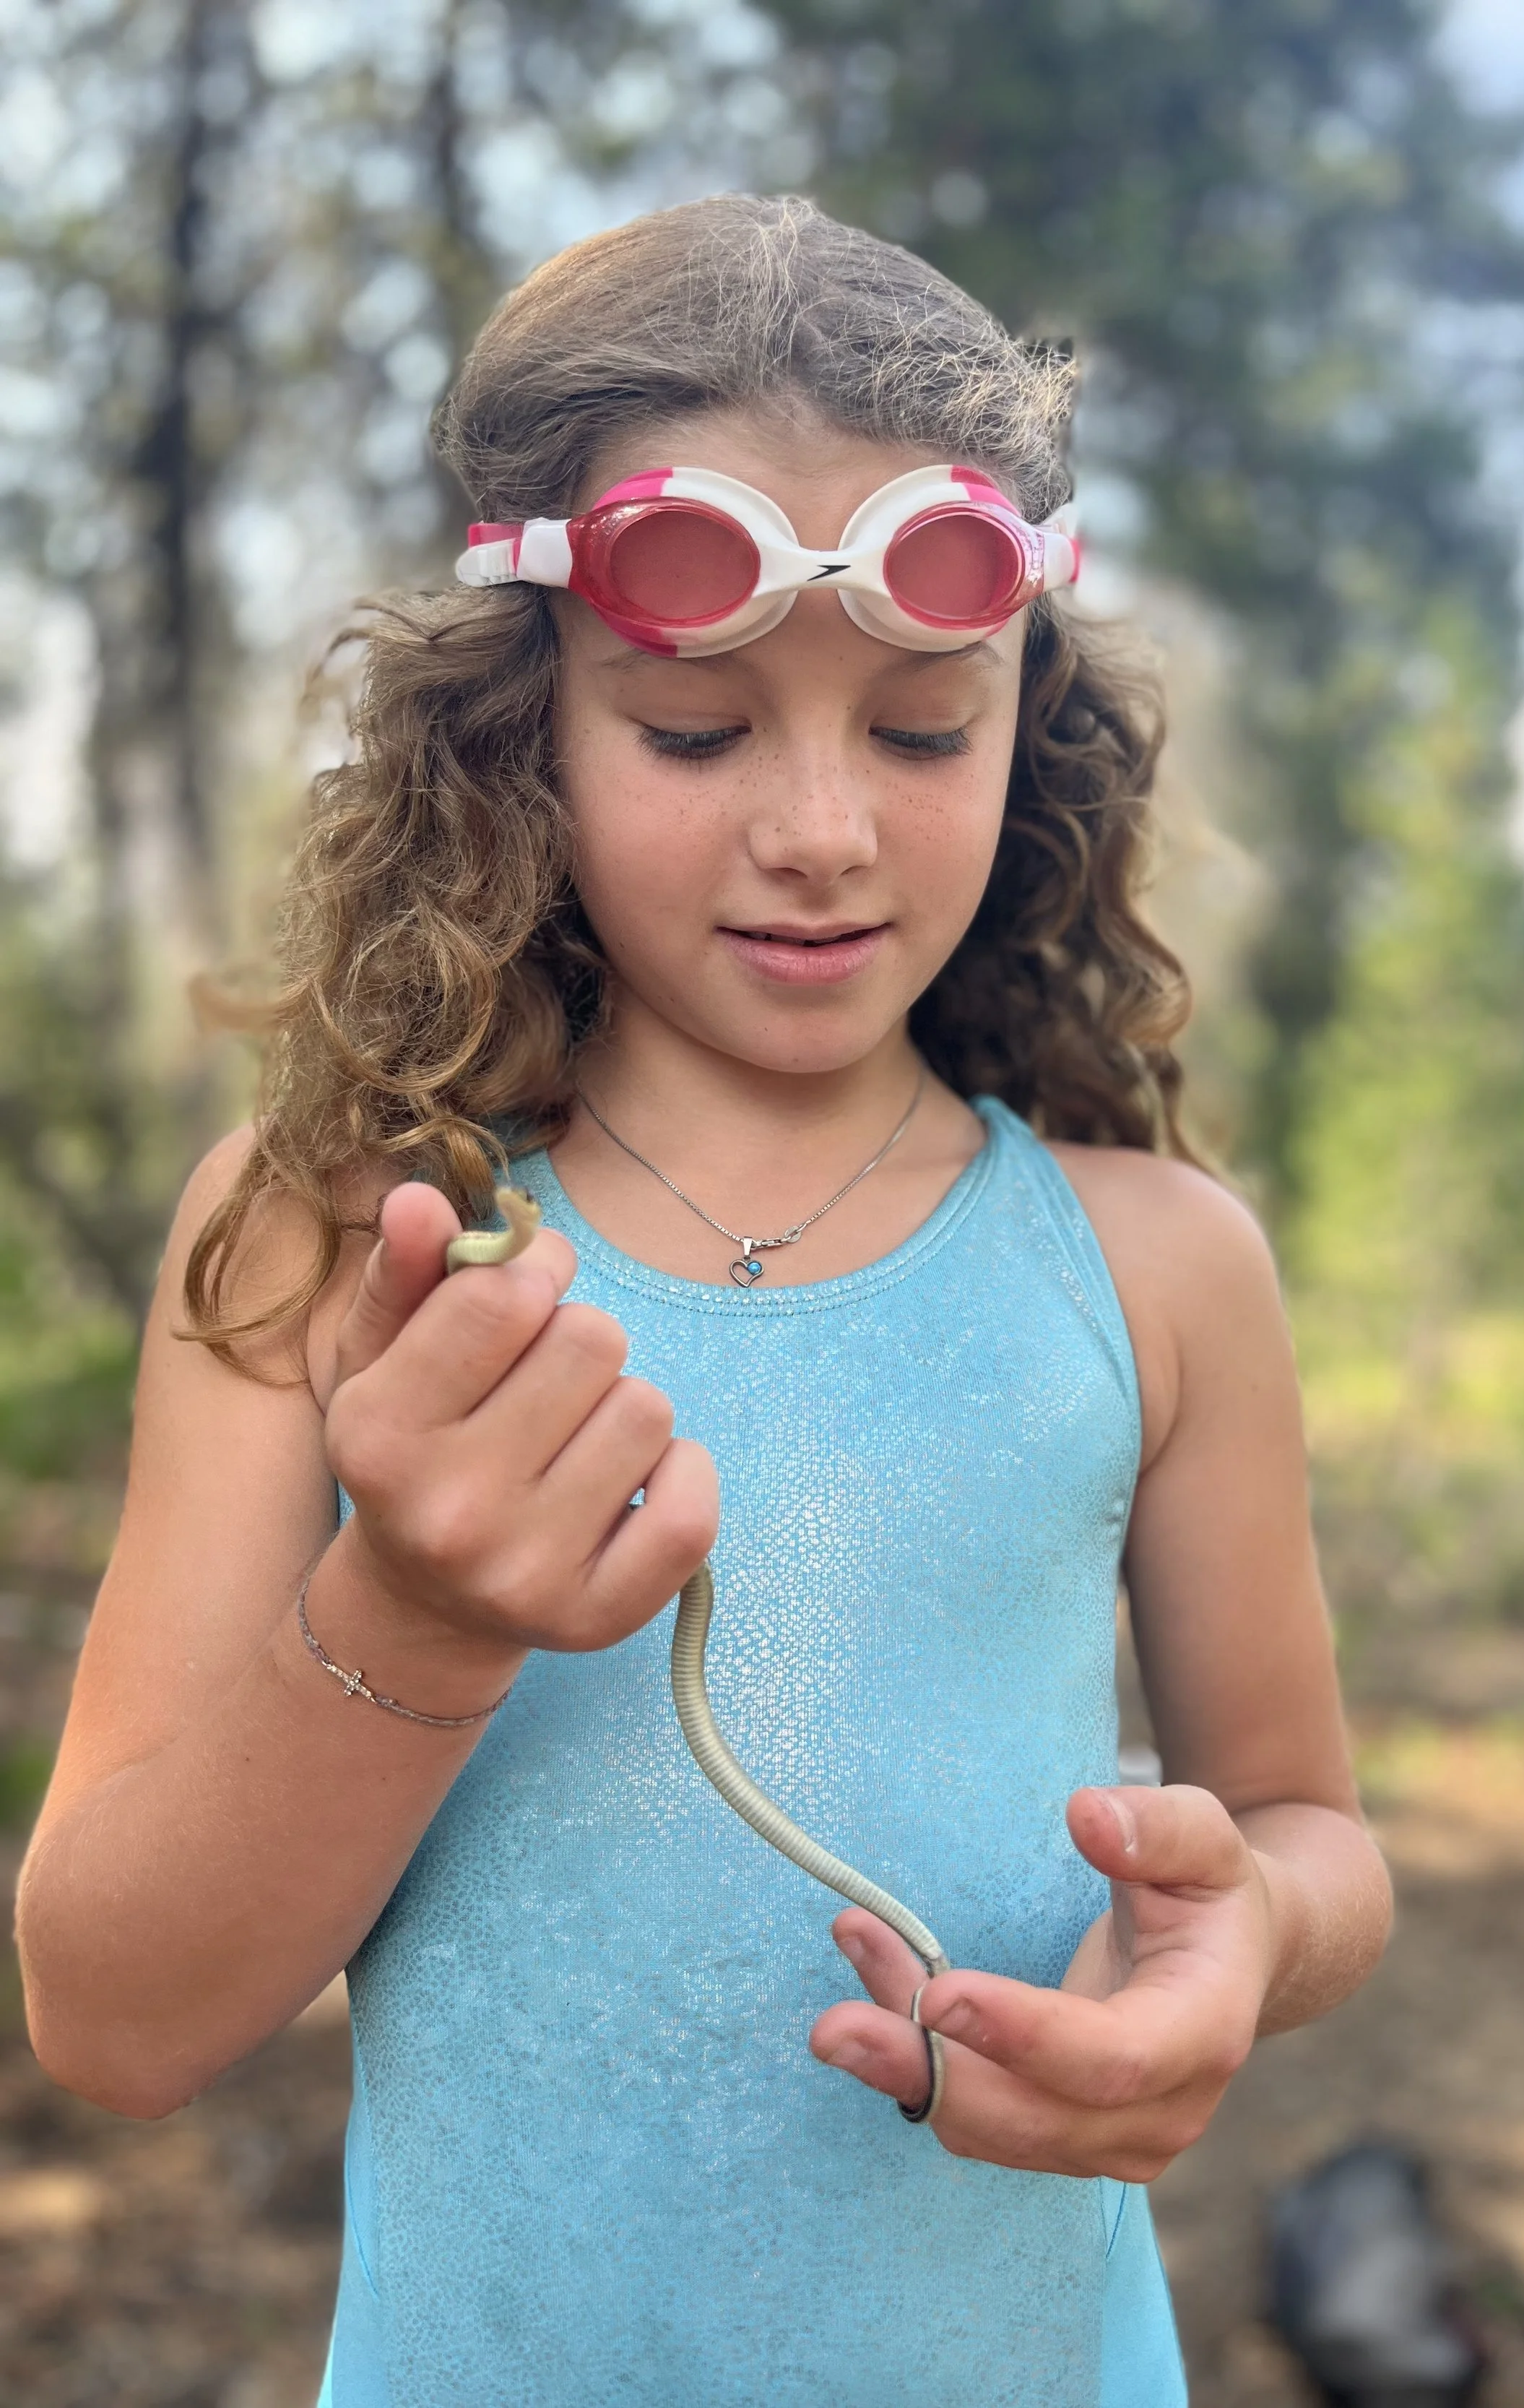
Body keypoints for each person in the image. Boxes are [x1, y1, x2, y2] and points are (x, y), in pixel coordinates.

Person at [15, 194, 1392, 2407]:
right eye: (693, 731)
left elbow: (1311, 1831)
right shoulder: (337, 1245)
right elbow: (112, 2015)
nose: (827, 827)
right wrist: (422, 1617)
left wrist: (1247, 1937)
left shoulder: (1152, 1266)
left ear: (1026, 722)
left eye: (924, 732)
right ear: (519, 725)